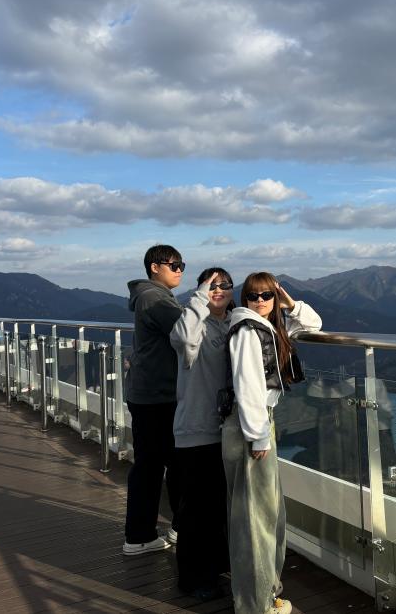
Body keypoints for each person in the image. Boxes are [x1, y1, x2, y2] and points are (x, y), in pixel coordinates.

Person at [224, 272, 322, 614]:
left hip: (258, 422)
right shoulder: (247, 332)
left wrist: (290, 303)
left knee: (263, 514)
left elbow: (313, 324)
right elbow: (247, 387)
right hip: (250, 426)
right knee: (256, 520)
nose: (260, 301)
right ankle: (256, 605)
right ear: (245, 299)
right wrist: (259, 435)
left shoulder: (268, 327)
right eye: (253, 295)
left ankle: (263, 595)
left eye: (267, 295)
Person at [170, 268, 234, 599]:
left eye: (224, 285)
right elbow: (182, 339)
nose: (217, 290)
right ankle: (192, 580)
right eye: (211, 284)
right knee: (196, 511)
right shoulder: (192, 324)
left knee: (216, 508)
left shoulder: (234, 322)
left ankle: (214, 570)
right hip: (196, 430)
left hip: (227, 430)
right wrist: (200, 298)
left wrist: (288, 303)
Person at [122, 245, 185, 556]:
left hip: (150, 393)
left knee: (159, 463)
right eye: (174, 264)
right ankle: (142, 536)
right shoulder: (154, 298)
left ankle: (151, 532)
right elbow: (188, 331)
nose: (179, 270)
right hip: (157, 396)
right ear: (154, 267)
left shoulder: (151, 296)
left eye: (182, 265)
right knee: (159, 465)